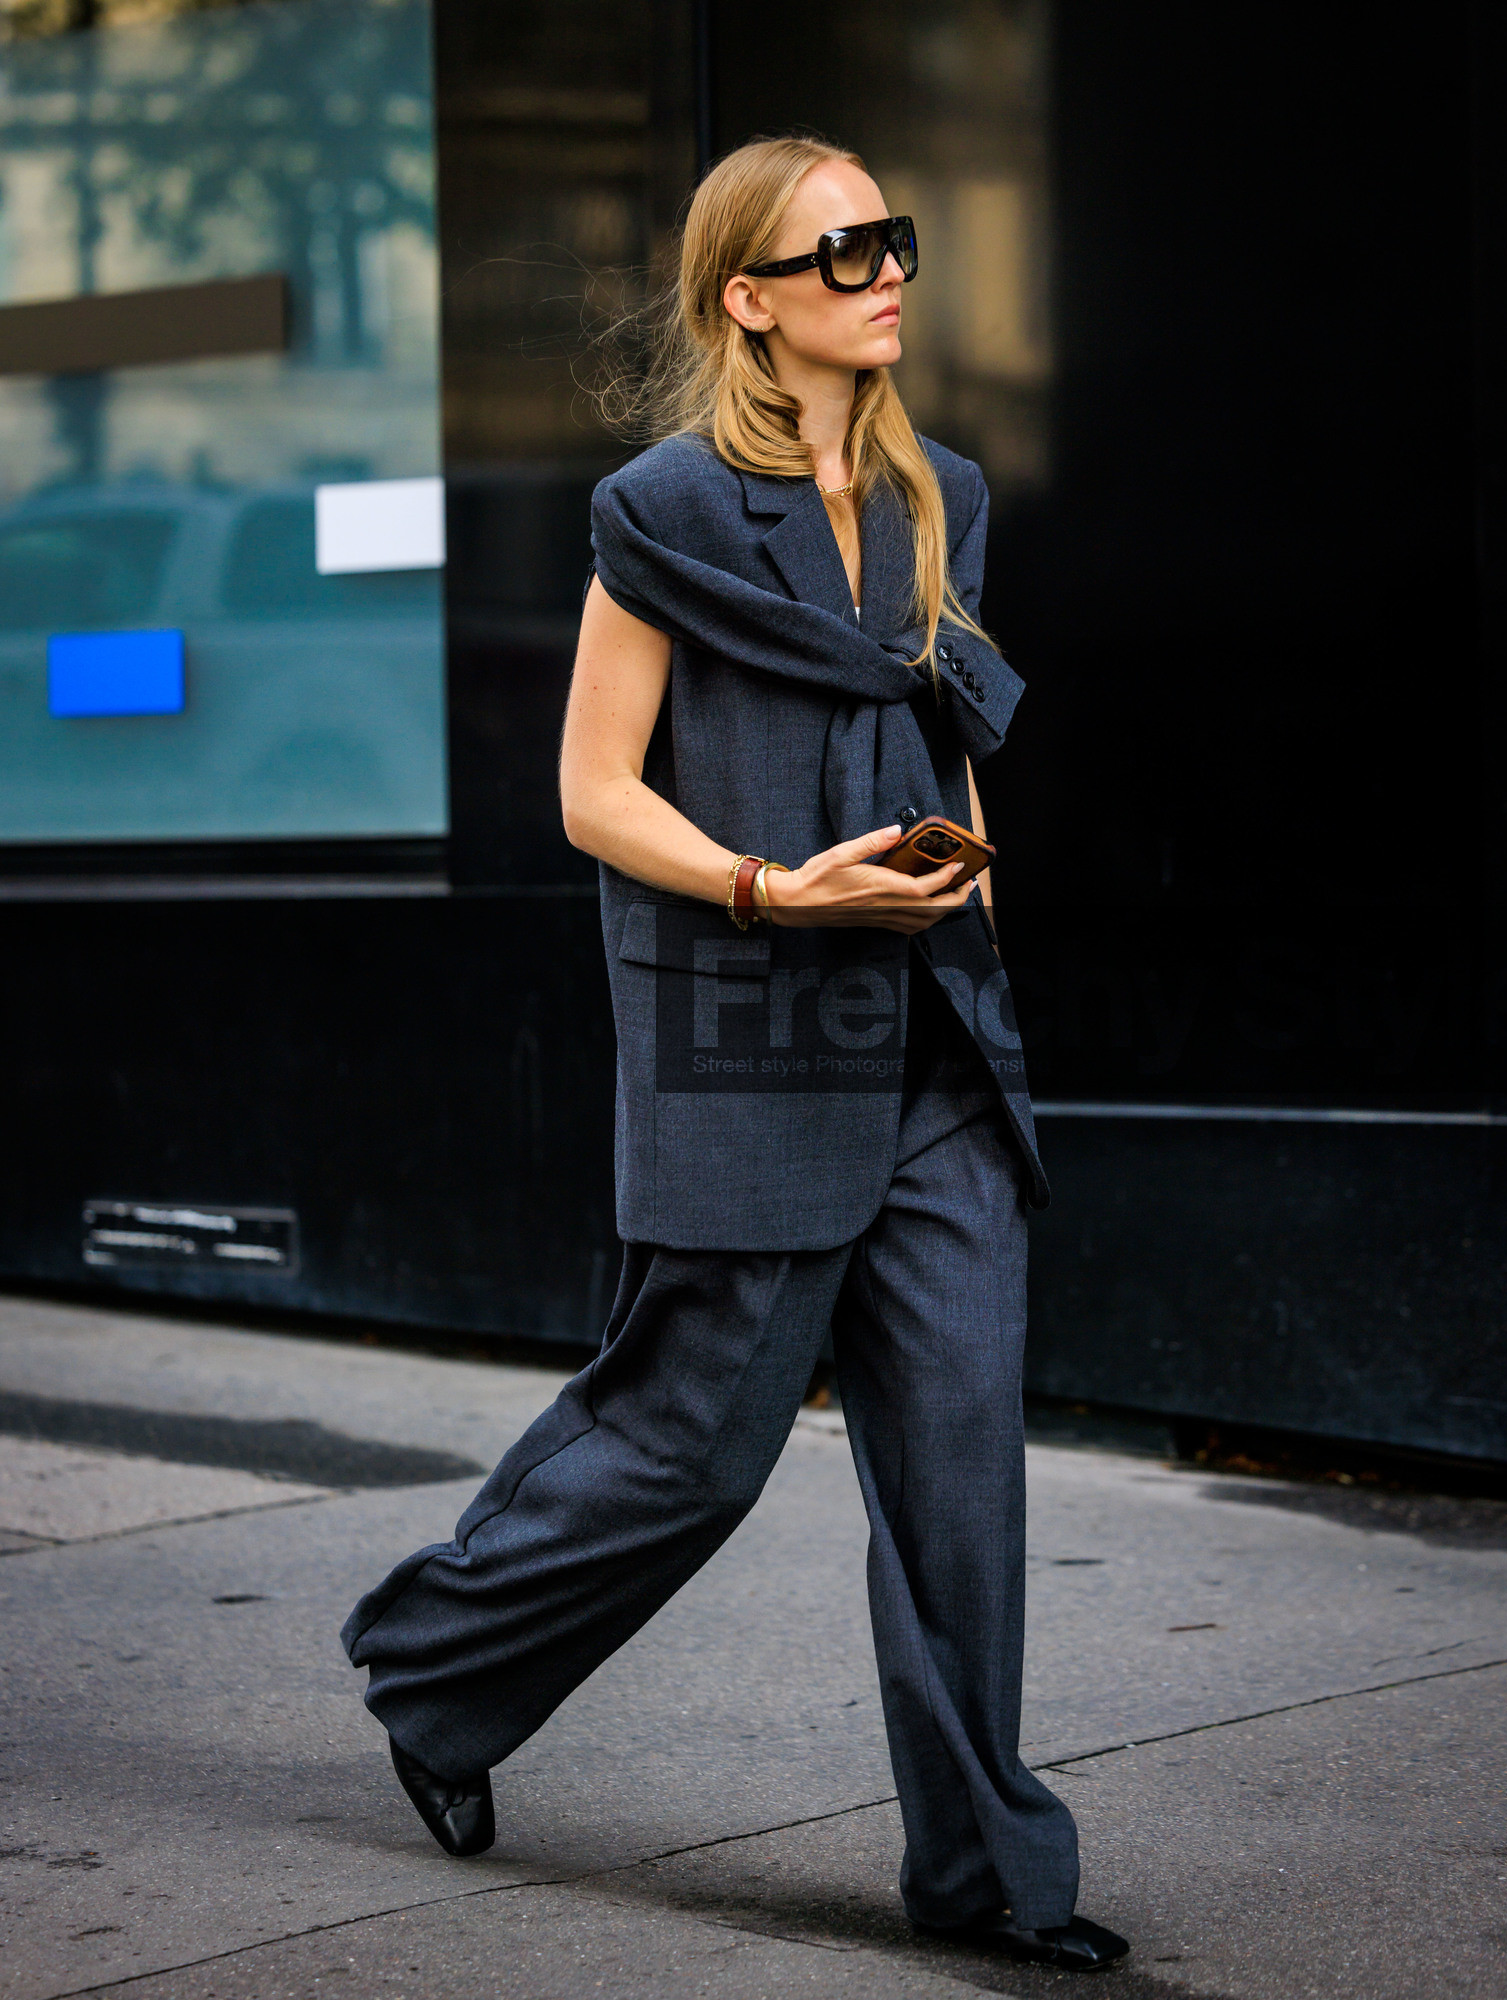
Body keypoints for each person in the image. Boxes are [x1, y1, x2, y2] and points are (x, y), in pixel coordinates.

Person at [340, 134, 1130, 1975]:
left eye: (895, 239)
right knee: (693, 1450)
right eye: (837, 249)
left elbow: (949, 743)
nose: (884, 271)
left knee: (960, 1476)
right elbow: (591, 791)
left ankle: (991, 1882)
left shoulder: (943, 489)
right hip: (746, 1029)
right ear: (746, 300)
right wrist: (776, 888)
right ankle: (436, 1677)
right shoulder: (667, 512)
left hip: (934, 1046)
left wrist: (973, 929)